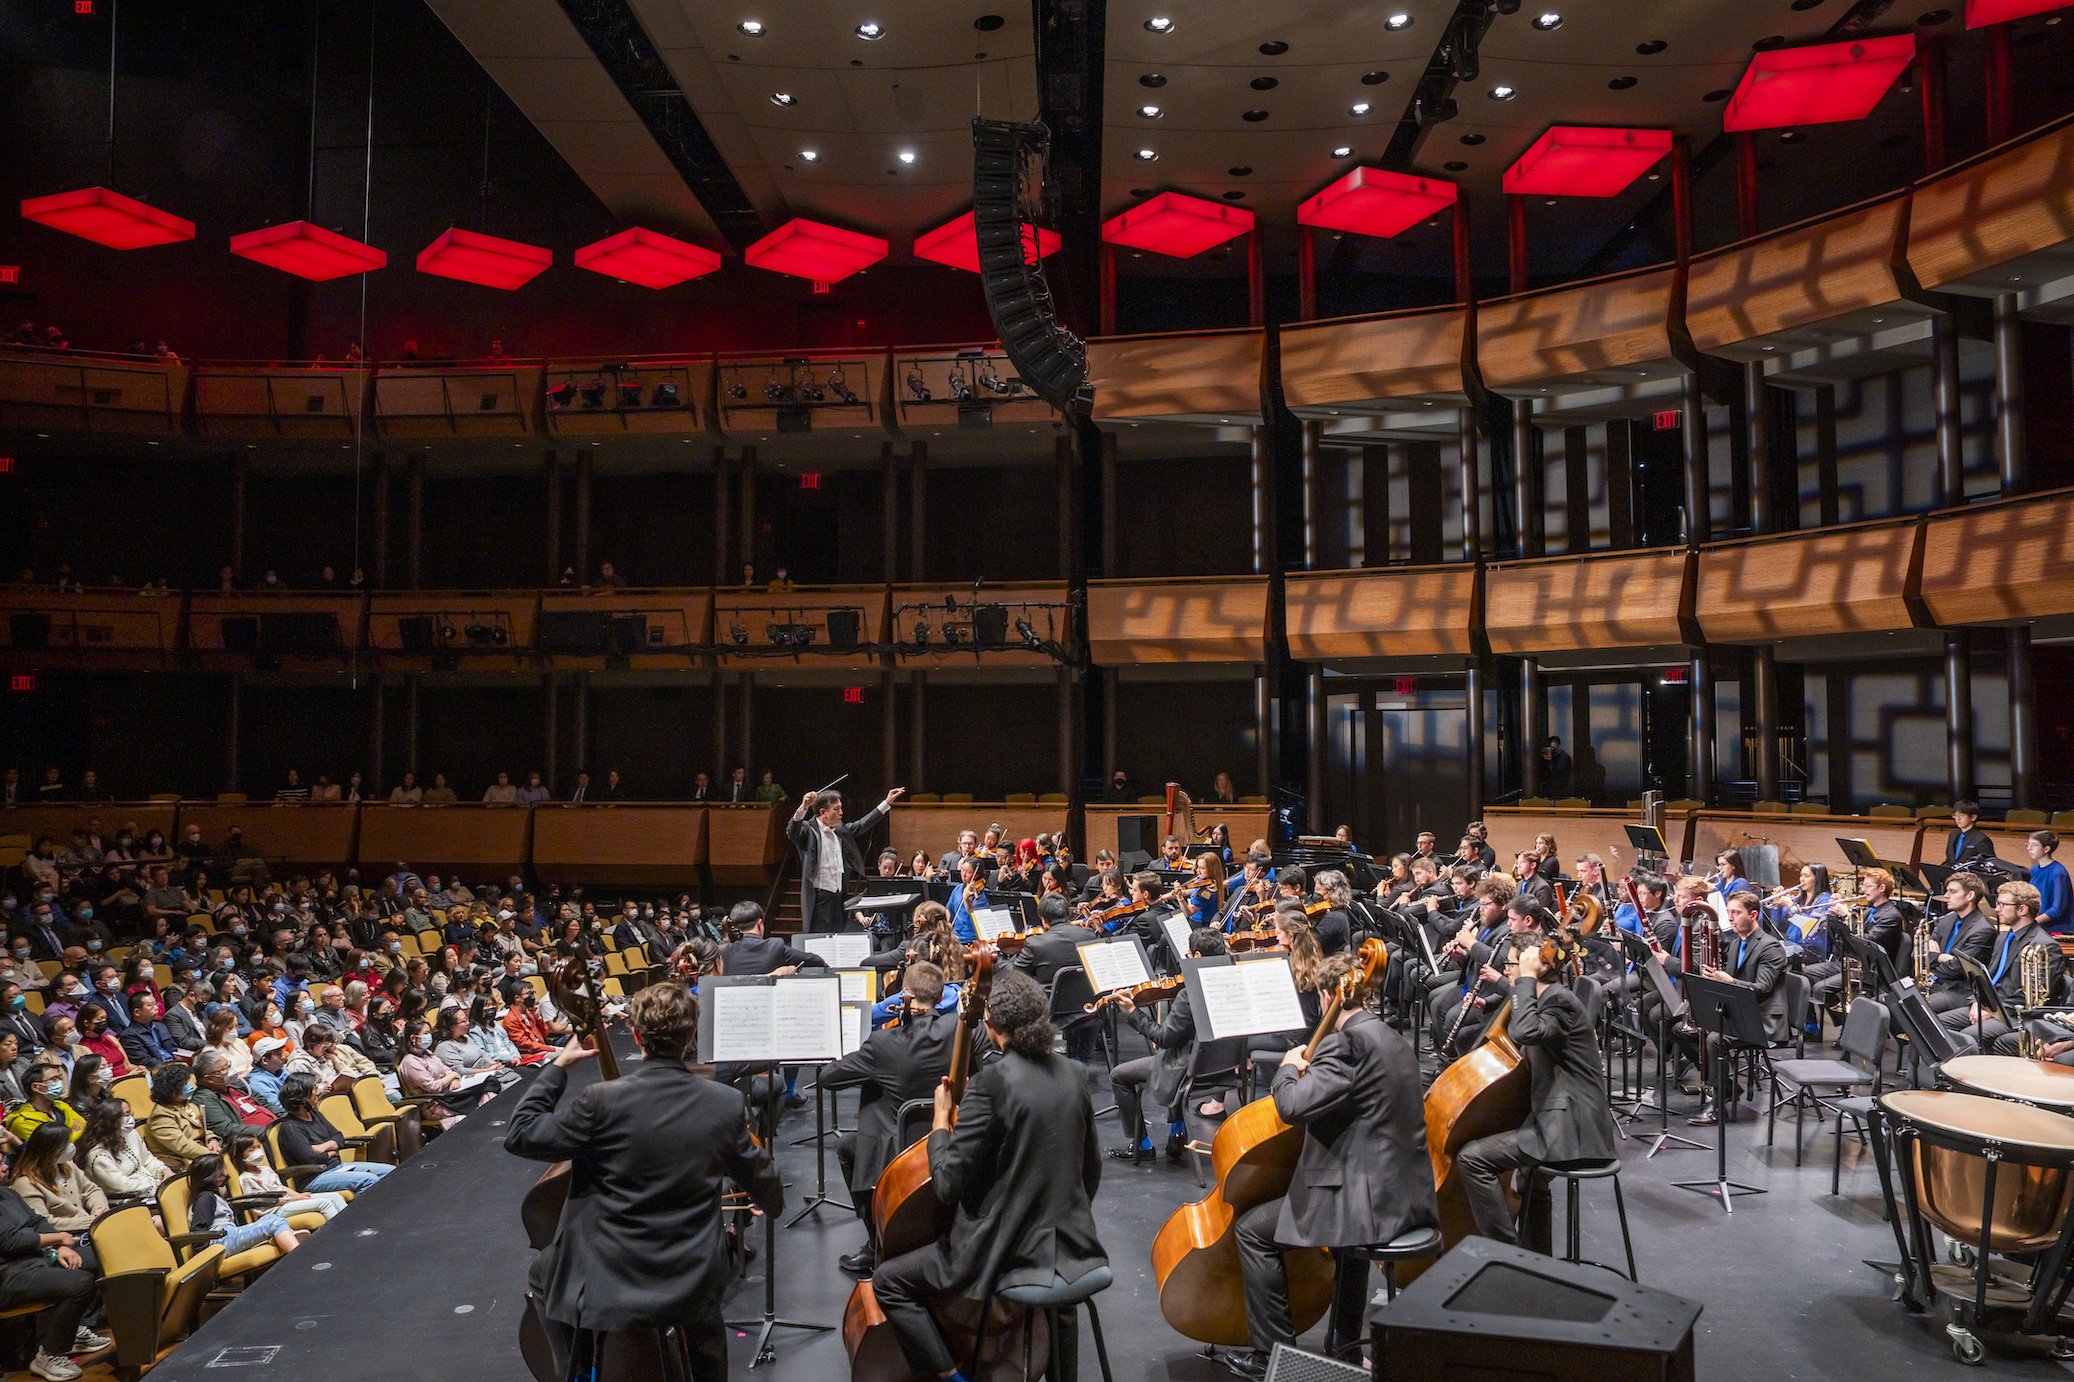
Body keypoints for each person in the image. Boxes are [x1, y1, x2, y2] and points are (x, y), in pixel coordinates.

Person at [506, 985, 782, 1382]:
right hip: (690, 1274)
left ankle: (578, 1369)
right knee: (706, 1318)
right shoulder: (723, 1102)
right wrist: (766, 1200)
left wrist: (557, 1067)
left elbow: (522, 1133)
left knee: (542, 1273)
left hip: (611, 1273)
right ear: (691, 1035)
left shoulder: (599, 1100)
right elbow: (762, 1176)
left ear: (636, 1036)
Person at [871, 971, 1106, 1382]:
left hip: (1002, 1252)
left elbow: (946, 1186)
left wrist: (941, 1122)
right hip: (1075, 1248)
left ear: (991, 1024)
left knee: (889, 1281)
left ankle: (953, 1378)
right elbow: (1092, 1171)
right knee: (1061, 1302)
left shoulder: (990, 1084)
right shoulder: (1074, 1073)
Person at [1230, 951, 1437, 1377]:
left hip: (1369, 1201)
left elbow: (1291, 1106)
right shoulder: (1389, 1034)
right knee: (1342, 1244)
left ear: (1328, 996)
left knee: (1252, 1231)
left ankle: (1272, 1356)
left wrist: (1288, 1069)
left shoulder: (1346, 1044)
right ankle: (1343, 1342)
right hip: (1405, 1190)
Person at [1455, 933, 1618, 1251]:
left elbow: (1525, 1031)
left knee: (1472, 1159)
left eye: (1513, 963)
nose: (1509, 970)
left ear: (1537, 966)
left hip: (1574, 1129)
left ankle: (1507, 1253)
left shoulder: (1558, 1000)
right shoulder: (1549, 1000)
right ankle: (1536, 1258)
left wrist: (1525, 979)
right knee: (1530, 1176)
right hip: (1561, 1118)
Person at [818, 960, 957, 1276]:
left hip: (897, 1147)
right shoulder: (959, 1031)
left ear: (904, 994)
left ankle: (875, 1241)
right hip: (945, 1134)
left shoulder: (882, 1043)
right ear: (940, 995)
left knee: (848, 1147)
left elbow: (828, 1077)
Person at [1109, 927, 1224, 1165]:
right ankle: (1177, 1133)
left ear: (1198, 957)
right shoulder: (1228, 981)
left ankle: (1141, 1145)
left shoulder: (1188, 994)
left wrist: (1132, 1012)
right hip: (1219, 1067)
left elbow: (1162, 1037)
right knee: (1169, 1051)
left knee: (1119, 1075)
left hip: (1189, 1069)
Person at [1685, 891, 1788, 1126]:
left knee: (1714, 1040)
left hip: (1762, 1018)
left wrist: (1728, 981)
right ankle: (1725, 1087)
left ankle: (1718, 1106)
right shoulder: (1735, 943)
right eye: (1728, 912)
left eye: (1736, 913)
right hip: (1739, 1011)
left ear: (1753, 915)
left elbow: (1761, 989)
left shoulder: (1770, 948)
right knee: (1685, 1028)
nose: (1730, 918)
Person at [0, 1176, 110, 1381]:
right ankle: (50, 1354)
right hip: (8, 1274)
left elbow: (37, 1221)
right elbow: (10, 1241)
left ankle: (73, 1329)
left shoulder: (7, 1192)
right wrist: (59, 1238)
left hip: (36, 1258)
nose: (5, 1166)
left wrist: (62, 1248)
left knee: (100, 1257)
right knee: (80, 1284)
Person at [1939, 880, 2065, 1051]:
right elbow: (1988, 976)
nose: (1997, 909)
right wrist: (1977, 1001)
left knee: (1969, 1036)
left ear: (2022, 909)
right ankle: (1939, 1076)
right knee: (1937, 1024)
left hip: (2016, 1014)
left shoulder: (2044, 946)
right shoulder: (2003, 937)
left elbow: (2031, 995)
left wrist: (1993, 1011)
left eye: (2002, 904)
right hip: (1991, 1006)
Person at [787, 785, 906, 934]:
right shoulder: (808, 830)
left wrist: (886, 802)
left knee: (837, 939)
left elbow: (863, 824)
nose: (841, 813)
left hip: (838, 899)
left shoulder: (841, 830)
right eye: (836, 809)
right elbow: (792, 832)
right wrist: (803, 807)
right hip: (819, 900)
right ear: (823, 812)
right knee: (819, 944)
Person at [273, 1074, 394, 1194]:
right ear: (302, 1096)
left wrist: (322, 1147)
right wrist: (332, 1152)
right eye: (314, 1088)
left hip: (337, 1168)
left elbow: (339, 1137)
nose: (317, 1092)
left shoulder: (314, 1114)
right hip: (314, 1178)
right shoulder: (290, 1127)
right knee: (369, 1180)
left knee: (390, 1171)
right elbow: (311, 1159)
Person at [185, 1154, 301, 1259]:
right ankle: (298, 1256)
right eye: (224, 1168)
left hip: (227, 1235)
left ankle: (286, 1239)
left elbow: (238, 1206)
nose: (227, 1172)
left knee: (269, 1219)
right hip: (221, 1241)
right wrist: (208, 1255)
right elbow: (198, 1233)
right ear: (215, 1175)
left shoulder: (213, 1196)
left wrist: (273, 1201)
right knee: (274, 1222)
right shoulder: (205, 1198)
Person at [9, 1124, 107, 1234]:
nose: (70, 1147)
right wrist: (87, 1222)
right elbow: (43, 1222)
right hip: (65, 1238)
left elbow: (92, 1190)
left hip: (91, 1227)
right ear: (49, 1151)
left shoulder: (68, 1166)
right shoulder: (26, 1183)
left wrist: (99, 1209)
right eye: (65, 1145)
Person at [227, 1130, 346, 1221]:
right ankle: (342, 1233)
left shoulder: (266, 1170)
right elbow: (260, 1203)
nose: (257, 1151)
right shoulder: (246, 1178)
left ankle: (352, 1226)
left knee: (335, 1196)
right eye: (251, 1149)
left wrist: (299, 1195)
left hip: (289, 1201)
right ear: (240, 1156)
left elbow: (281, 1188)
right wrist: (295, 1199)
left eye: (258, 1147)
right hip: (274, 1211)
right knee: (324, 1203)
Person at [1923, 873, 2000, 1014]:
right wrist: (1940, 957)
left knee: (1912, 1007)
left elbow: (1956, 969)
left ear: (1970, 895)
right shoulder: (1946, 920)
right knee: (1888, 999)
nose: (1946, 895)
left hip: (1956, 991)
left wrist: (1933, 958)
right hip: (1931, 983)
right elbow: (1920, 953)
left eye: (1952, 891)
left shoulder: (1983, 930)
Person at [75, 1100, 167, 1202]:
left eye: (129, 1114)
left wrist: (164, 1171)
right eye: (125, 1115)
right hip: (124, 1201)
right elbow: (122, 1186)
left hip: (149, 1188)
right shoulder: (99, 1156)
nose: (130, 1119)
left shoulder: (131, 1134)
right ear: (110, 1120)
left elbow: (147, 1160)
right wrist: (155, 1185)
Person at [143, 1062, 219, 1172]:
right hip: (181, 1164)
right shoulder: (161, 1117)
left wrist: (212, 1139)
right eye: (184, 1084)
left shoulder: (189, 1104)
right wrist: (212, 1154)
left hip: (203, 1153)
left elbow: (204, 1128)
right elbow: (183, 1146)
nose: (190, 1086)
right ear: (170, 1090)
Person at [2027, 831, 2070, 933]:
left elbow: (2057, 910)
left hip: (2055, 929)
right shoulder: (2035, 869)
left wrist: (2030, 923)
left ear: (2046, 849)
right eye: (2028, 844)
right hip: (2038, 926)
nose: (2029, 848)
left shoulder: (2058, 873)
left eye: (2034, 845)